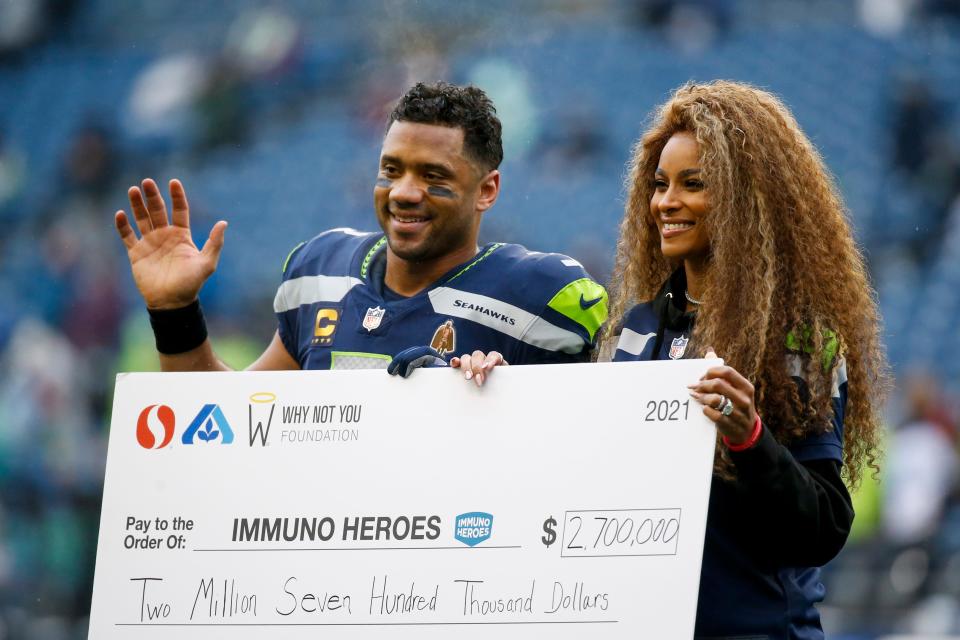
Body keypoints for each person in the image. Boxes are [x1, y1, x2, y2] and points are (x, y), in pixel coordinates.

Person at [602, 80, 890, 638]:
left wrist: (749, 438)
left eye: (694, 184)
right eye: (659, 185)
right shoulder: (631, 333)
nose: (666, 202)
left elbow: (824, 528)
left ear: (747, 198)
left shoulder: (799, 341)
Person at [113, 82, 607, 375]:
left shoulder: (538, 296)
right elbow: (225, 428)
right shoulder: (319, 272)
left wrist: (512, 402)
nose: (404, 192)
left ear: (487, 190)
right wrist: (174, 310)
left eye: (433, 176)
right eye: (392, 170)